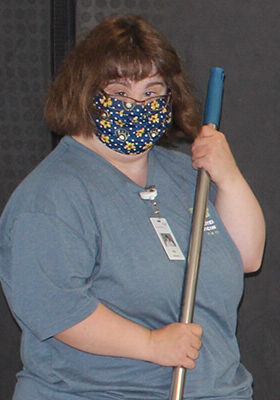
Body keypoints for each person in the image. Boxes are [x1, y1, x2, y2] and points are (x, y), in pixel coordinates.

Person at [0, 14, 265, 400]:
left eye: (151, 93)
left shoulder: (186, 173)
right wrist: (150, 344)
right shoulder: (51, 197)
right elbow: (55, 307)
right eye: (120, 93)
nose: (137, 105)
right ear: (85, 92)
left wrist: (230, 176)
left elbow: (246, 256)